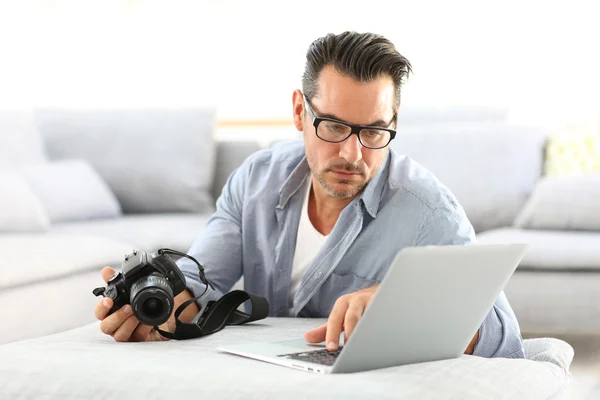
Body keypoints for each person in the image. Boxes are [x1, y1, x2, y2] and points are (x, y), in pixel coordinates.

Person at [94, 31, 525, 358]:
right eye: (334, 126)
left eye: (374, 131)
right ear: (301, 111)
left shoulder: (431, 214)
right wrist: (162, 312)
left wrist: (412, 307)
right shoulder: (255, 180)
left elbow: (504, 336)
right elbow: (200, 287)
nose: (352, 154)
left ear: (395, 121)